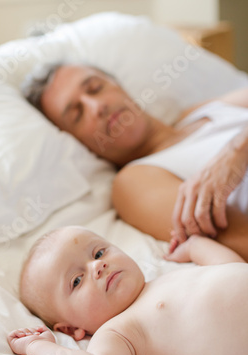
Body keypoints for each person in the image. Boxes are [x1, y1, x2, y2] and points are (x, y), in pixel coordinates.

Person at [23, 64, 248, 260]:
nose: (97, 107)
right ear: (77, 141)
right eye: (77, 114)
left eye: (95, 88)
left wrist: (237, 150)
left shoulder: (202, 111)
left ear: (118, 85)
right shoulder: (135, 181)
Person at [8, 225, 248, 355]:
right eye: (77, 281)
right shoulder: (119, 331)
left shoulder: (164, 279)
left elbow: (229, 268)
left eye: (99, 253)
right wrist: (37, 347)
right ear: (71, 329)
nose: (98, 266)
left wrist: (196, 246)